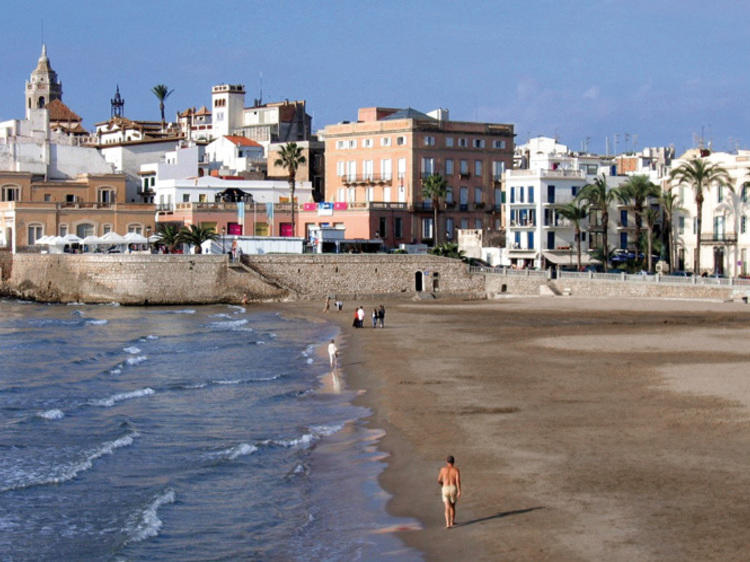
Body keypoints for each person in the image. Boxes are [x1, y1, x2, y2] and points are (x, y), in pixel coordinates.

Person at [437, 455, 461, 528]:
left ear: (447, 462)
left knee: (447, 506)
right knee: (453, 506)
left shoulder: (442, 469)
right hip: (453, 488)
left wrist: (442, 485)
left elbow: (439, 480)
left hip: (445, 488)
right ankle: (452, 522)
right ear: (453, 462)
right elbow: (458, 481)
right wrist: (459, 490)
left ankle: (447, 524)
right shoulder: (456, 470)